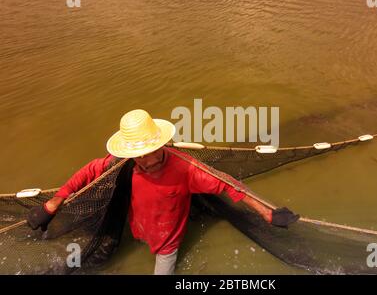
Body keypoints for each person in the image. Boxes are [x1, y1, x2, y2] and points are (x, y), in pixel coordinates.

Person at [27, 109, 298, 274]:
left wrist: (268, 214)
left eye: (151, 150)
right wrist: (53, 204)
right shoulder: (121, 162)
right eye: (139, 154)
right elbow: (88, 172)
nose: (146, 159)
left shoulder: (186, 168)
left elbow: (228, 183)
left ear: (161, 143)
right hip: (139, 228)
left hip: (167, 242)